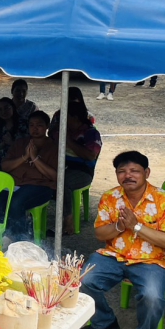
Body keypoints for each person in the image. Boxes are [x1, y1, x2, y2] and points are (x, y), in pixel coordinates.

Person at [79, 151, 165, 329]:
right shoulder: (111, 197)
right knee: (81, 279)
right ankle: (104, 321)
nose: (128, 175)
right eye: (122, 171)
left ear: (147, 173)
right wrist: (119, 225)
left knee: (152, 297)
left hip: (151, 261)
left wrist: (136, 226)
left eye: (134, 170)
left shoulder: (164, 200)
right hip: (114, 255)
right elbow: (100, 234)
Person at [0, 111, 58, 241]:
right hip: (16, 184)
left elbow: (55, 176)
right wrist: (24, 157)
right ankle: (1, 235)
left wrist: (35, 158)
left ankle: (19, 239)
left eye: (39, 125)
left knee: (16, 202)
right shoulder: (20, 143)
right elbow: (5, 166)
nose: (35, 129)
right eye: (31, 125)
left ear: (47, 126)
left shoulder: (53, 147)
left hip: (40, 187)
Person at [52, 99, 102, 235]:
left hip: (82, 171)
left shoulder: (91, 133)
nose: (62, 120)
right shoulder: (62, 131)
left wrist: (68, 141)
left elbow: (90, 155)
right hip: (60, 166)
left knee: (63, 182)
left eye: (66, 117)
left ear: (74, 118)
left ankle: (68, 220)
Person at [0, 96, 28, 170]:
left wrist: (11, 143)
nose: (3, 112)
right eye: (0, 110)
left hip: (17, 161)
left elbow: (27, 147)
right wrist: (1, 144)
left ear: (13, 108)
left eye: (6, 108)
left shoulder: (24, 124)